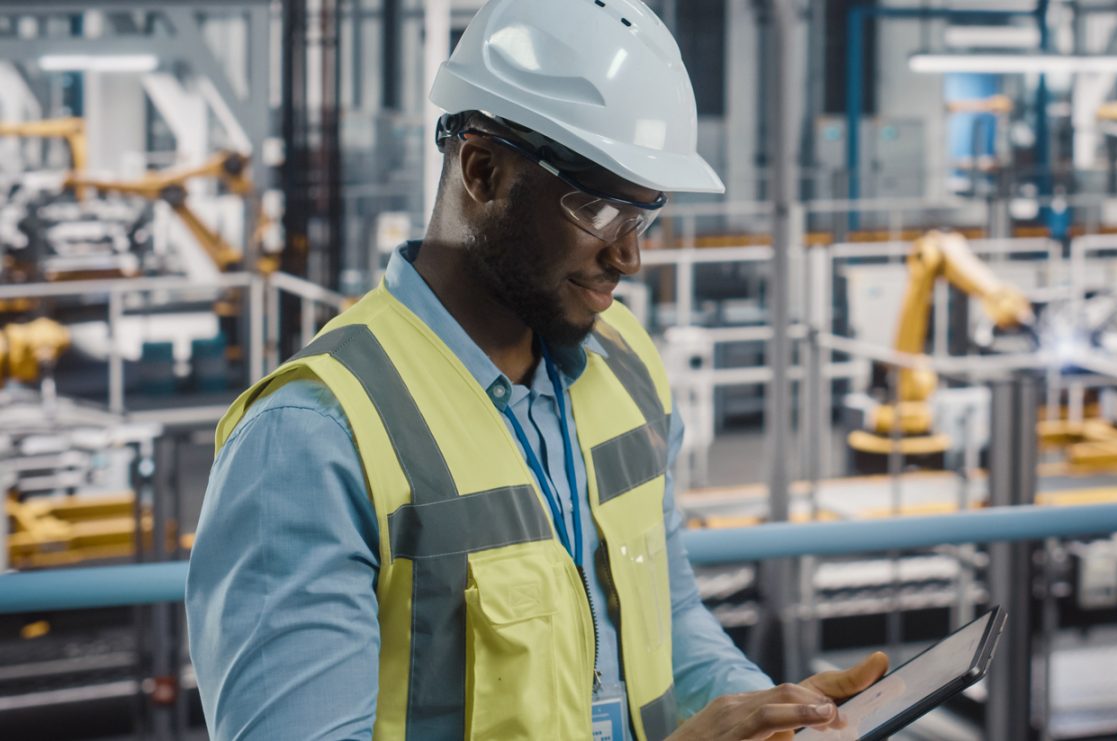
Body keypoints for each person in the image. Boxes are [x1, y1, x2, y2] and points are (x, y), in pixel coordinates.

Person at [185, 1, 886, 738]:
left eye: (644, 216)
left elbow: (668, 622)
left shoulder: (628, 366)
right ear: (482, 169)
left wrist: (767, 713)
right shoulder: (309, 438)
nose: (629, 256)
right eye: (599, 209)